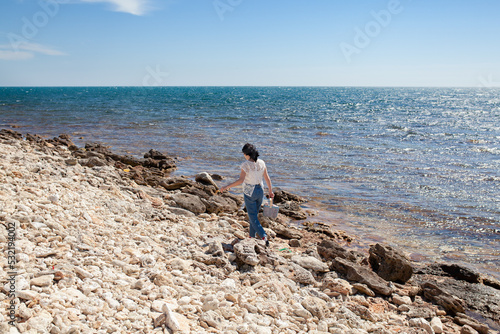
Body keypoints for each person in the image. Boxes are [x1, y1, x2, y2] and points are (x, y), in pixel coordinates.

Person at [220, 143, 274, 246]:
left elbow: (241, 180)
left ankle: (264, 236)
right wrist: (270, 191)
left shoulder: (245, 165)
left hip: (250, 192)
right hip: (260, 191)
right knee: (254, 215)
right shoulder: (262, 163)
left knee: (252, 217)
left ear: (246, 154)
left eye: (244, 154)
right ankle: (251, 237)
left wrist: (227, 186)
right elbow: (267, 178)